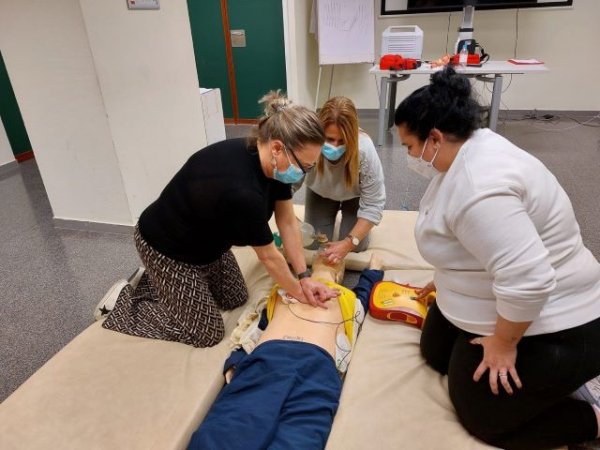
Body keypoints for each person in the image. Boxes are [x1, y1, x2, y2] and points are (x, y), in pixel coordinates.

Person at [394, 67, 600, 449]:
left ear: (435, 138)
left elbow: (530, 280)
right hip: (499, 293)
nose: (408, 155)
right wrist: (446, 280)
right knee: (435, 351)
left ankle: (590, 418)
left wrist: (504, 344)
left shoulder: (479, 188)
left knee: (482, 414)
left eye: (409, 146)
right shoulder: (468, 147)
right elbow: (475, 243)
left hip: (561, 317)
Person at [100, 91, 338, 348]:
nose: (303, 173)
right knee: (206, 334)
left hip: (209, 244)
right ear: (278, 147)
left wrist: (304, 276)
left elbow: (288, 222)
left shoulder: (272, 163)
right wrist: (298, 293)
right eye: (304, 166)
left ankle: (157, 284)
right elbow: (269, 256)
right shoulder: (243, 191)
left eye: (310, 167)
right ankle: (122, 302)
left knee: (235, 298)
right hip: (167, 248)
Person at [187, 253, 384, 450]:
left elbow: (366, 293)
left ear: (340, 274)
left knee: (299, 437)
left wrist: (374, 268)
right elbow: (257, 326)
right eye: (321, 256)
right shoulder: (284, 289)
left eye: (336, 261)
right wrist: (237, 360)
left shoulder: (347, 298)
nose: (328, 257)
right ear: (309, 268)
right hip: (268, 359)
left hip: (318, 369)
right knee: (228, 429)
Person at [303, 96, 385, 265]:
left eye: (342, 141)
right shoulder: (309, 142)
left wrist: (348, 243)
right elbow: (285, 187)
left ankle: (348, 222)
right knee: (313, 243)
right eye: (329, 139)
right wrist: (289, 222)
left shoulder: (364, 149)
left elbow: (374, 203)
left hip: (355, 197)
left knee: (356, 246)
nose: (334, 146)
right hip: (320, 193)